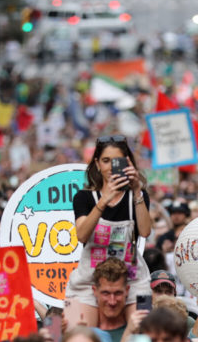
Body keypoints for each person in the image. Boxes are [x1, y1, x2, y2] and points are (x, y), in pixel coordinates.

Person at [65, 134, 152, 329]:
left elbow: (145, 232)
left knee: (143, 334)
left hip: (134, 279)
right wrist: (104, 200)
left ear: (128, 163)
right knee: (76, 334)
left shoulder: (138, 196)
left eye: (117, 161)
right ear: (97, 163)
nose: (111, 167)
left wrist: (137, 191)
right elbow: (81, 235)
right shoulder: (83, 197)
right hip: (88, 281)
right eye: (106, 161)